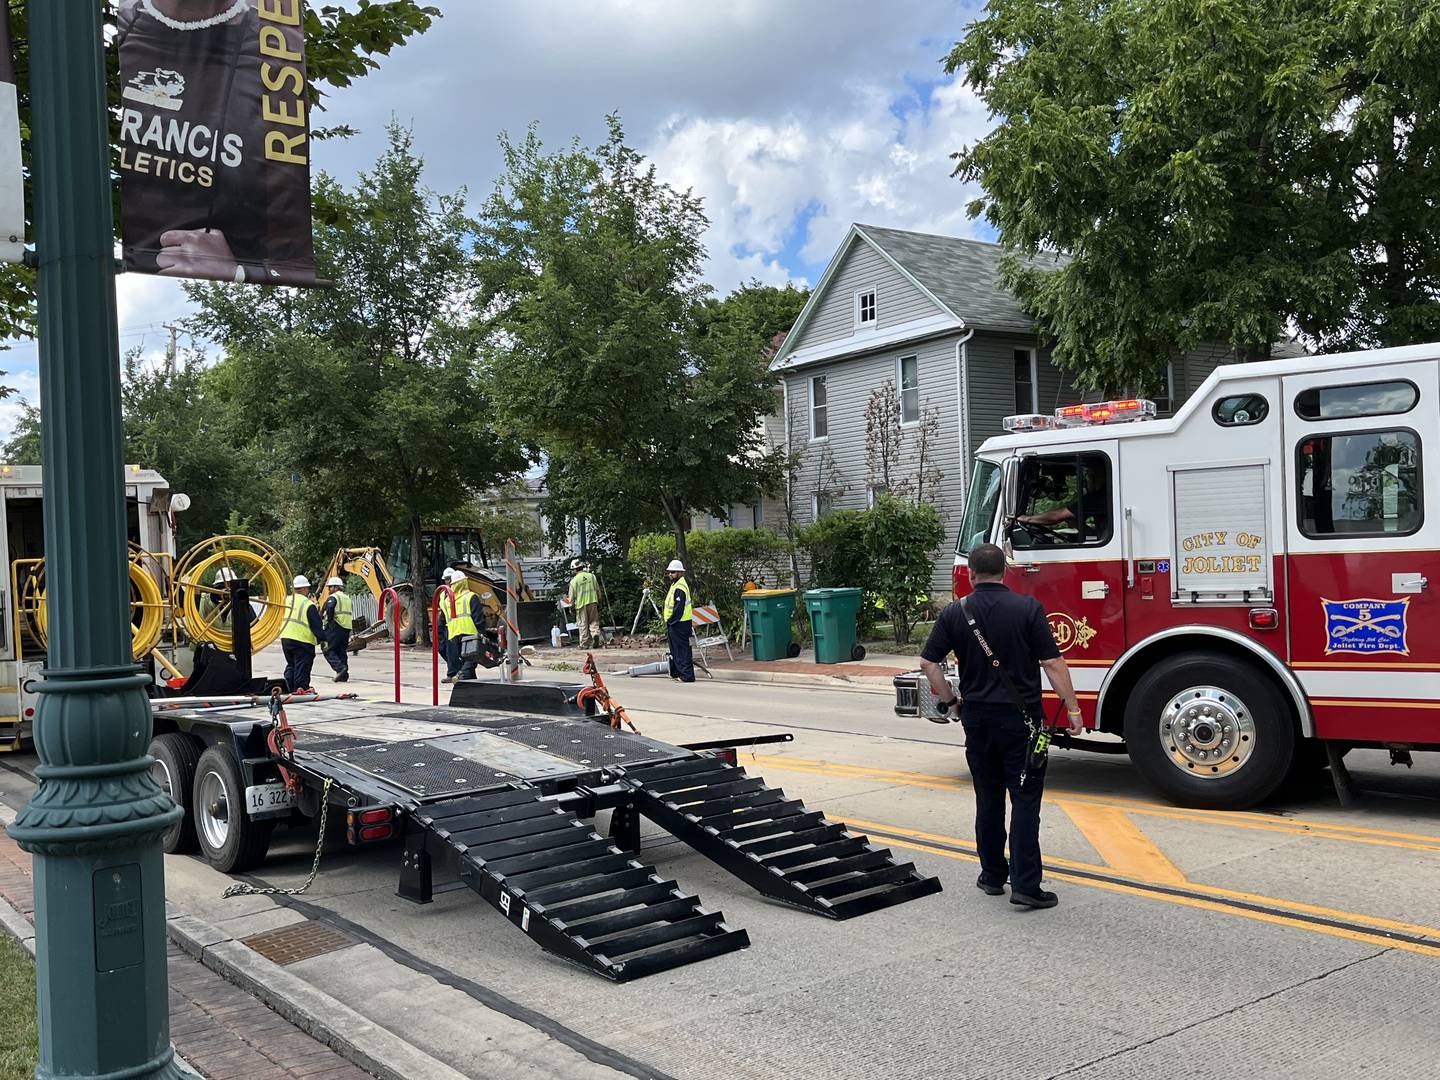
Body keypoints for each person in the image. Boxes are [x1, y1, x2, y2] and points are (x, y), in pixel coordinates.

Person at [918, 543, 1083, 909]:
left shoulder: (954, 613)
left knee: (988, 798)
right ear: (1005, 572)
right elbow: (1053, 663)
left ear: (972, 575)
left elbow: (929, 664)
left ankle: (992, 876)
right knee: (1025, 801)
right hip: (1022, 723)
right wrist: (1072, 709)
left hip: (976, 721)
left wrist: (950, 702)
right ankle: (1026, 885)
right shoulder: (1027, 608)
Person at [280, 574, 324, 694]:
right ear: (304, 589)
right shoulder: (308, 604)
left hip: (285, 639)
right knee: (302, 667)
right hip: (302, 641)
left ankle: (288, 687)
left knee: (291, 664)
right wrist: (324, 639)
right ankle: (301, 689)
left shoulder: (285, 601)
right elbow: (317, 626)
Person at [442, 569, 485, 682]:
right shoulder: (471, 596)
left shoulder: (447, 600)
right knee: (471, 658)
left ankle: (469, 681)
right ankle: (462, 674)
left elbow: (444, 618)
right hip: (469, 632)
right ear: (464, 582)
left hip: (453, 634)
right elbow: (478, 617)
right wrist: (482, 633)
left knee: (460, 657)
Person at [663, 559, 695, 683]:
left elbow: (679, 608)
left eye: (673, 572)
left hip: (679, 623)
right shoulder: (675, 585)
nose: (670, 574)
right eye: (670, 572)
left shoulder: (680, 587)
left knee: (681, 649)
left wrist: (671, 621)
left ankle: (687, 675)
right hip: (676, 623)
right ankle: (677, 672)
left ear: (680, 572)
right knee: (675, 649)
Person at [320, 576, 352, 683]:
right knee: (341, 651)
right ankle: (344, 675)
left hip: (336, 626)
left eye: (330, 587)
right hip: (346, 628)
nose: (329, 590)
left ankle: (340, 669)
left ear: (336, 587)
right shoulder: (347, 598)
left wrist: (329, 621)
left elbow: (330, 608)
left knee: (327, 649)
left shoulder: (334, 597)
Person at [566, 559, 602, 650]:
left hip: (581, 605)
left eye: (572, 570)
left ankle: (584, 644)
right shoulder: (592, 576)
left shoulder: (574, 581)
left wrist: (571, 607)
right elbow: (598, 590)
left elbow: (571, 597)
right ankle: (595, 634)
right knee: (594, 621)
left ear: (575, 569)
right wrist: (599, 600)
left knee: (583, 624)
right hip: (593, 601)